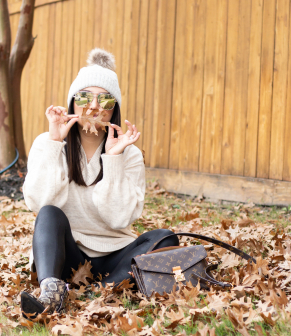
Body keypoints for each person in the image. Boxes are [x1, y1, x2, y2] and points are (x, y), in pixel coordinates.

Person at [20, 48, 179, 318]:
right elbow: (38, 203)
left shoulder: (129, 154)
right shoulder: (47, 143)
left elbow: (119, 219)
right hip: (68, 254)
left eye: (104, 100)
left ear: (113, 109)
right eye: (84, 97)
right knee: (49, 213)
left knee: (164, 238)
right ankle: (52, 292)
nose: (93, 107)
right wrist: (54, 143)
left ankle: (102, 291)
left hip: (114, 255)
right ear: (72, 102)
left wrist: (113, 159)